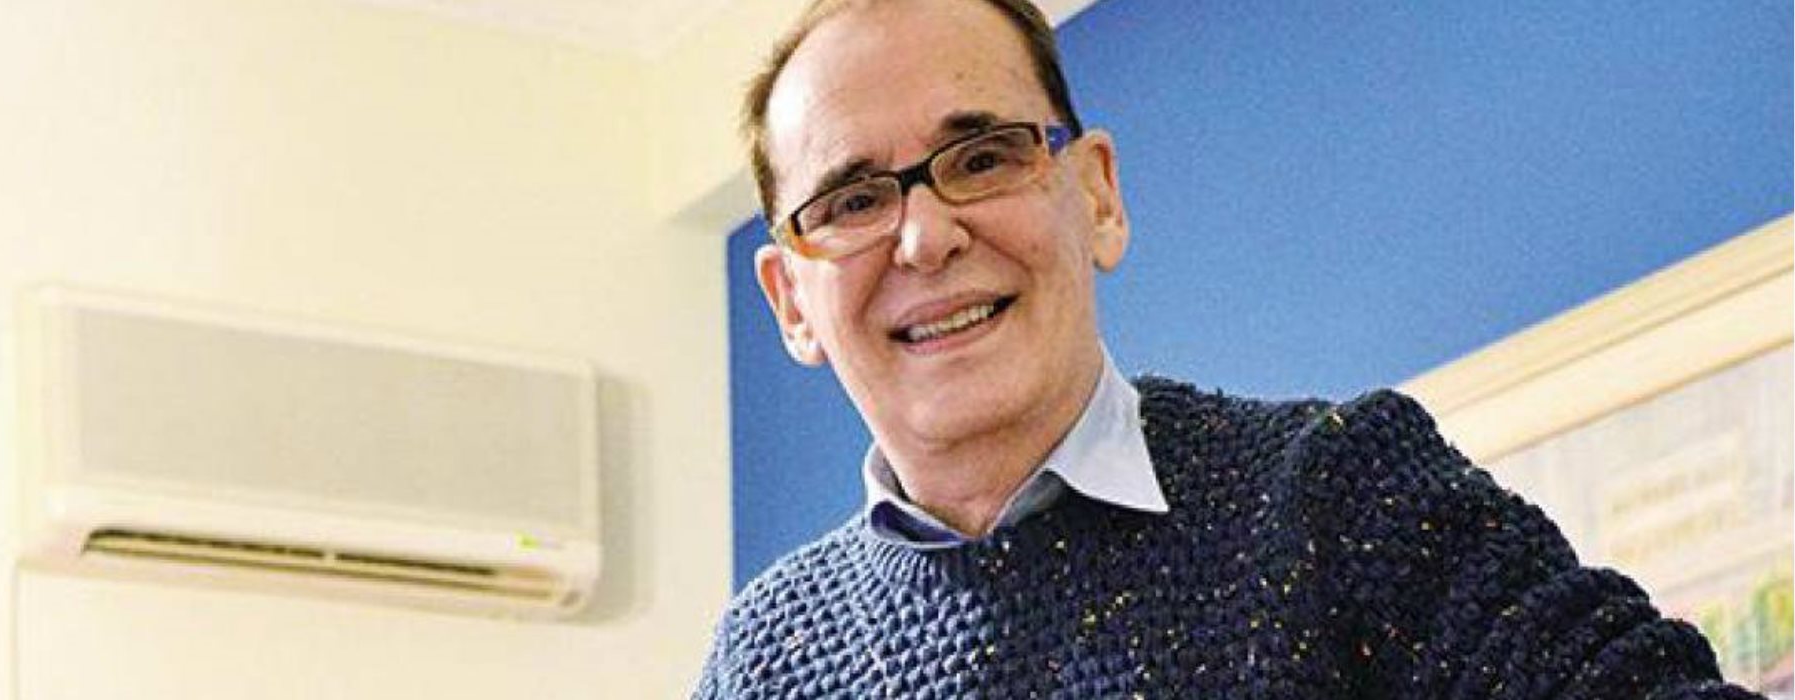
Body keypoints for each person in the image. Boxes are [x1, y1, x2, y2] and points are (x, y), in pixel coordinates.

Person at [694, 0, 1764, 697]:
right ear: (792, 301)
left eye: (981, 156)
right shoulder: (765, 659)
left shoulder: (1338, 492)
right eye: (851, 201)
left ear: (1095, 196)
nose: (926, 237)